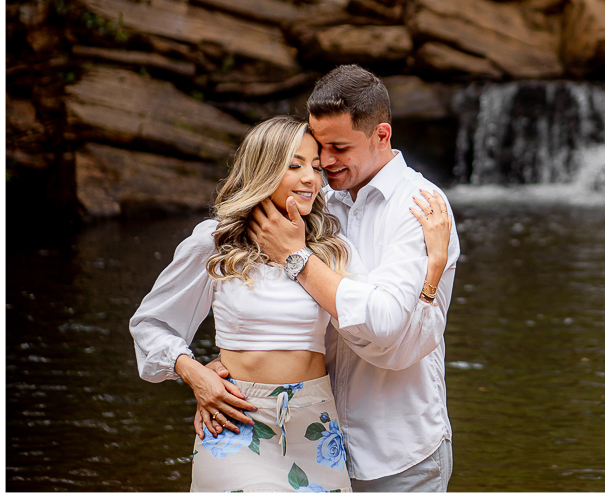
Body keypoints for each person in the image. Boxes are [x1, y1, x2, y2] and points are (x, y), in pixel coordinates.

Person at [129, 115, 452, 491]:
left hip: (315, 425)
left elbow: (380, 328)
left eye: (315, 168)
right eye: (294, 165)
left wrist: (434, 269)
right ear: (264, 168)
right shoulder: (216, 242)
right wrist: (196, 375)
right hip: (238, 418)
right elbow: (151, 323)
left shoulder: (332, 248)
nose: (311, 178)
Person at [202, 65, 460, 492]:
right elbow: (252, 291)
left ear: (382, 135)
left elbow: (384, 329)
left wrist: (298, 258)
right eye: (319, 147)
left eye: (339, 147)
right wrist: (221, 374)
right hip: (311, 442)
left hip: (396, 451)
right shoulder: (314, 197)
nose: (324, 162)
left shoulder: (419, 208)